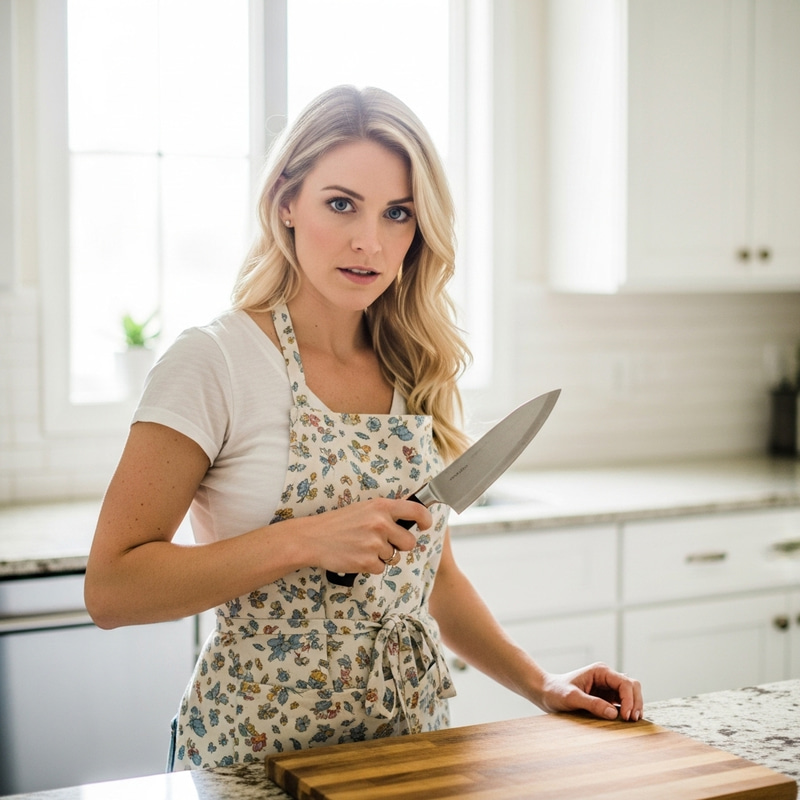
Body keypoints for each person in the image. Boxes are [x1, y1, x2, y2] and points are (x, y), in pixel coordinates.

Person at [84, 85, 643, 771]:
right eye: (341, 203)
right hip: (258, 753)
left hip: (407, 744)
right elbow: (111, 590)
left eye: (398, 213)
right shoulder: (216, 360)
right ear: (286, 201)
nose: (369, 242)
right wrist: (306, 540)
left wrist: (542, 684)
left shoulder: (411, 364)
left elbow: (434, 580)